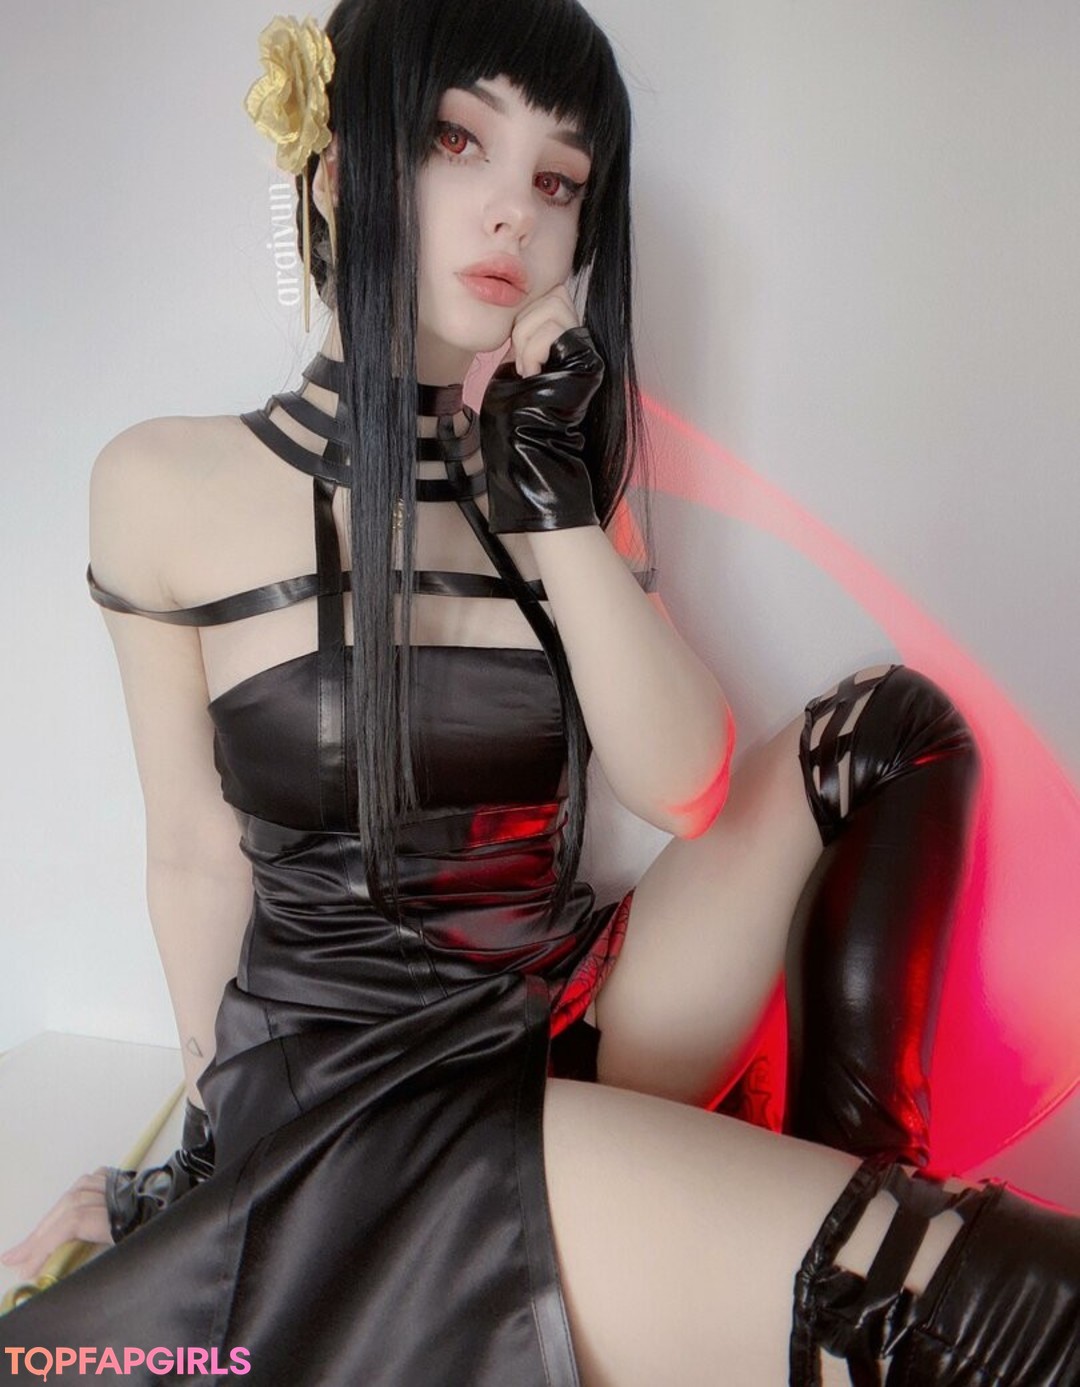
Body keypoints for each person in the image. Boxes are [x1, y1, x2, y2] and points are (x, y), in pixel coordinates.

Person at [2, 2, 1078, 1383]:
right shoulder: (162, 481)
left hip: (571, 1015)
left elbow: (686, 788)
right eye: (460, 142)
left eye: (558, 180)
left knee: (893, 725)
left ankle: (837, 1180)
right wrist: (214, 1161)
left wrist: (555, 499)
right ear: (336, 173)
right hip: (364, 1088)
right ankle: (811, 1257)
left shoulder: (550, 475)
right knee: (991, 1305)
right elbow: (193, 853)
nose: (514, 209)